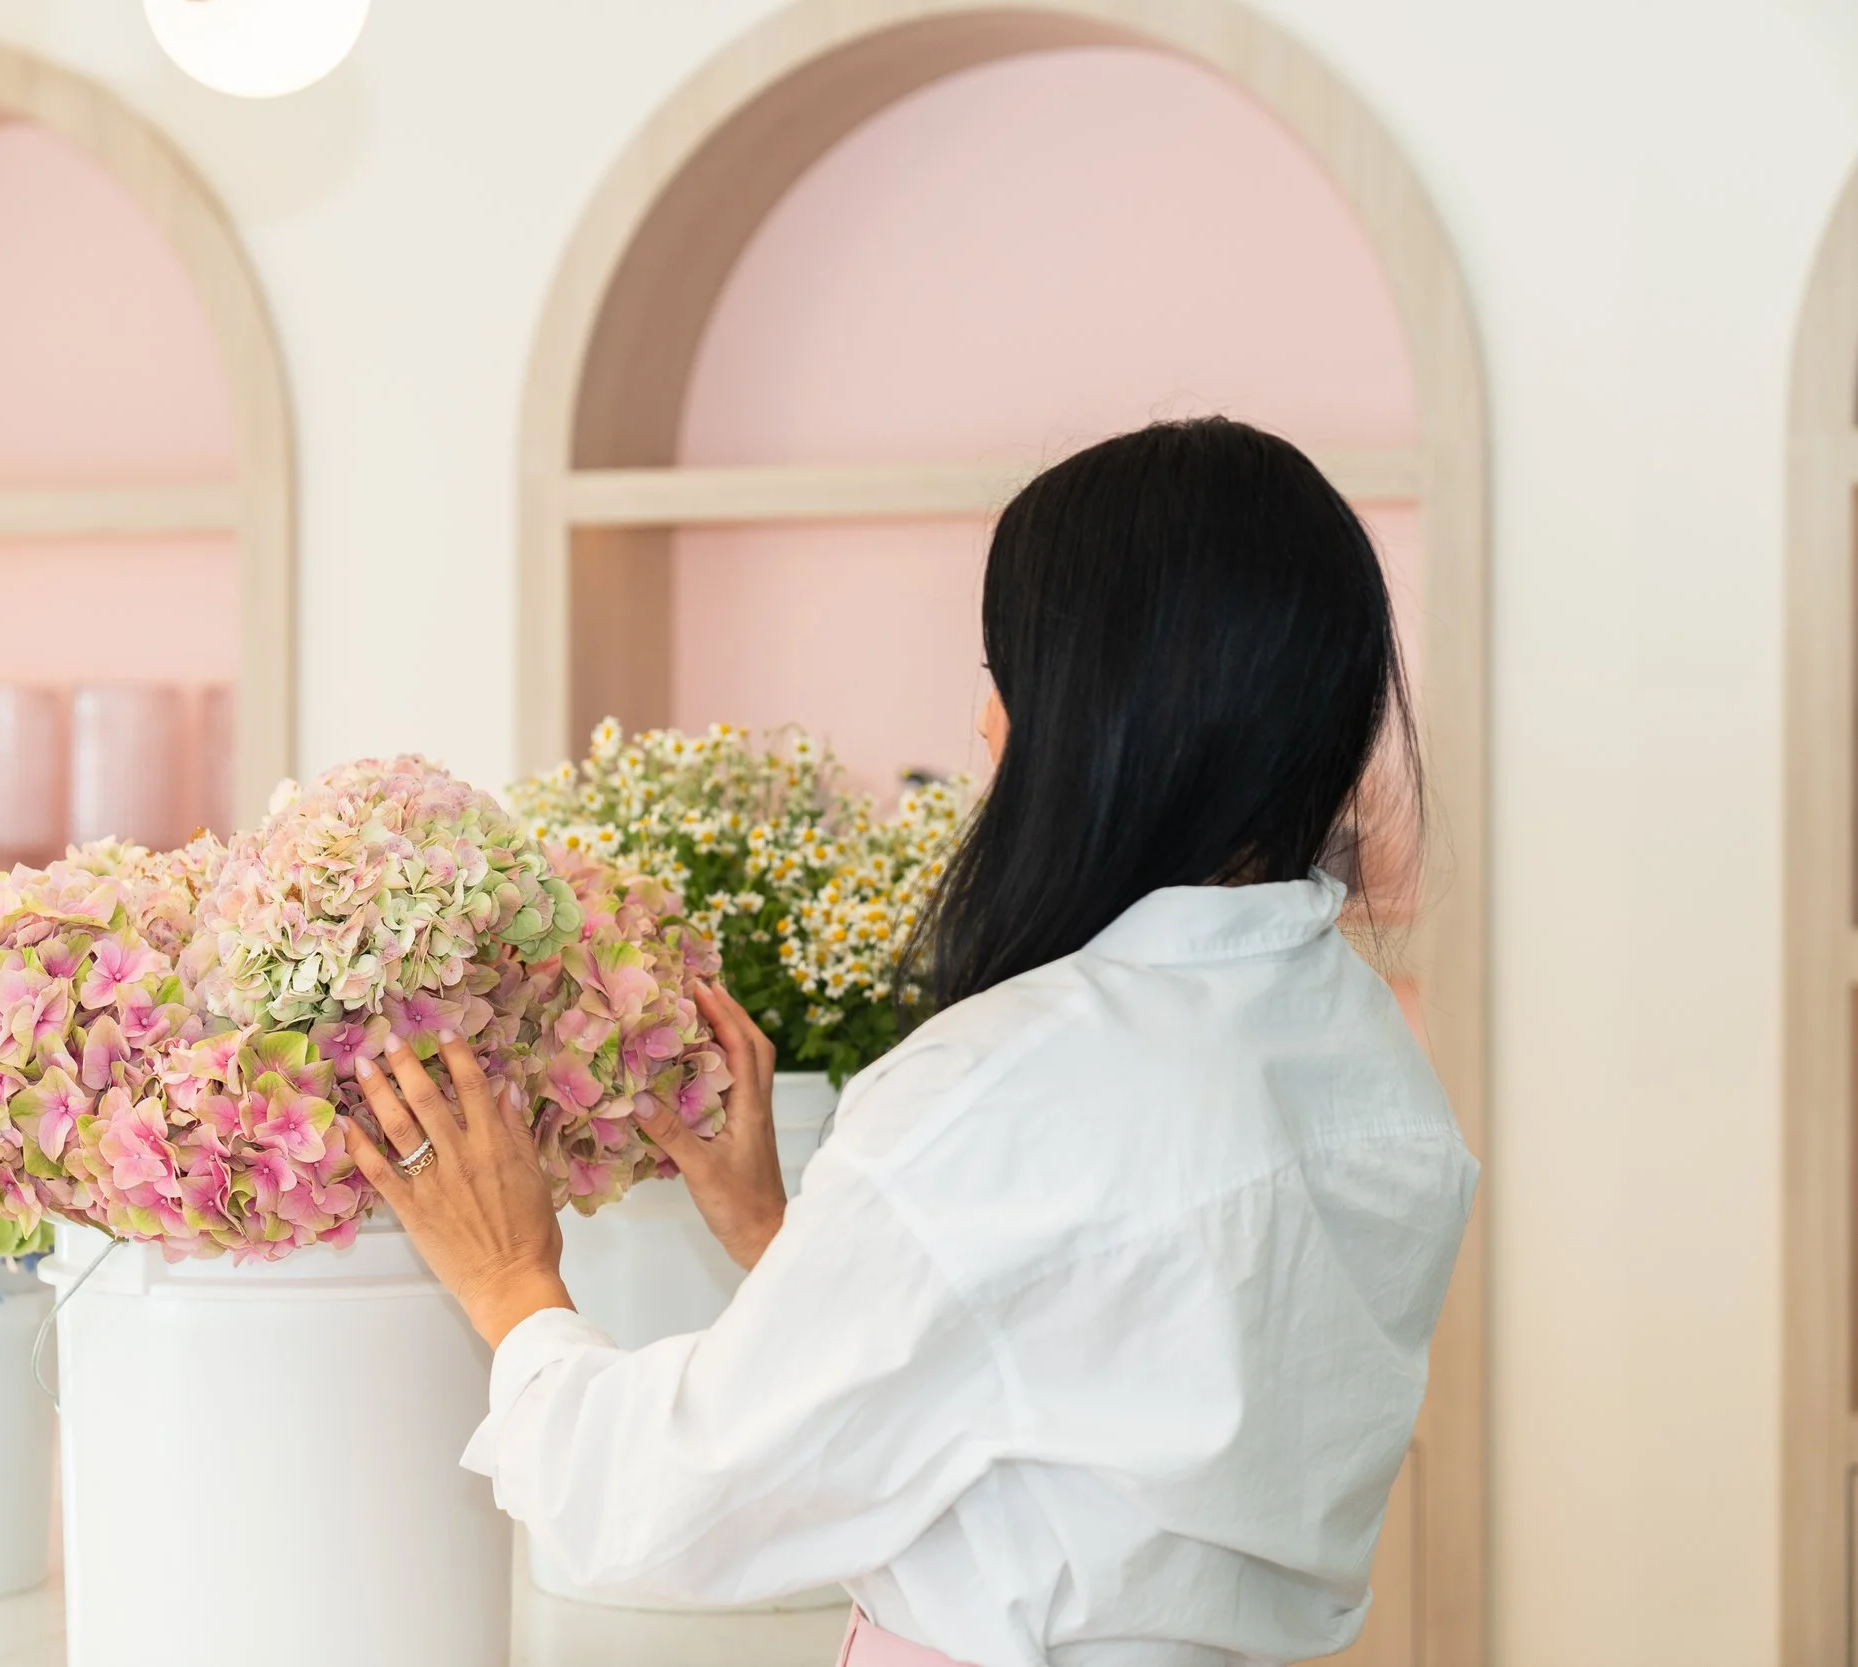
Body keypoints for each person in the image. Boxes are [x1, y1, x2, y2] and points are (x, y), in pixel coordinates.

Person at [341, 417, 1478, 1667]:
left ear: (1096, 715)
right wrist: (790, 1236)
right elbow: (1084, 1404)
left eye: (1007, 672)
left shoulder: (1007, 1084)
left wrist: (513, 1283)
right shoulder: (1371, 1058)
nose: (986, 725)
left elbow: (668, 1507)